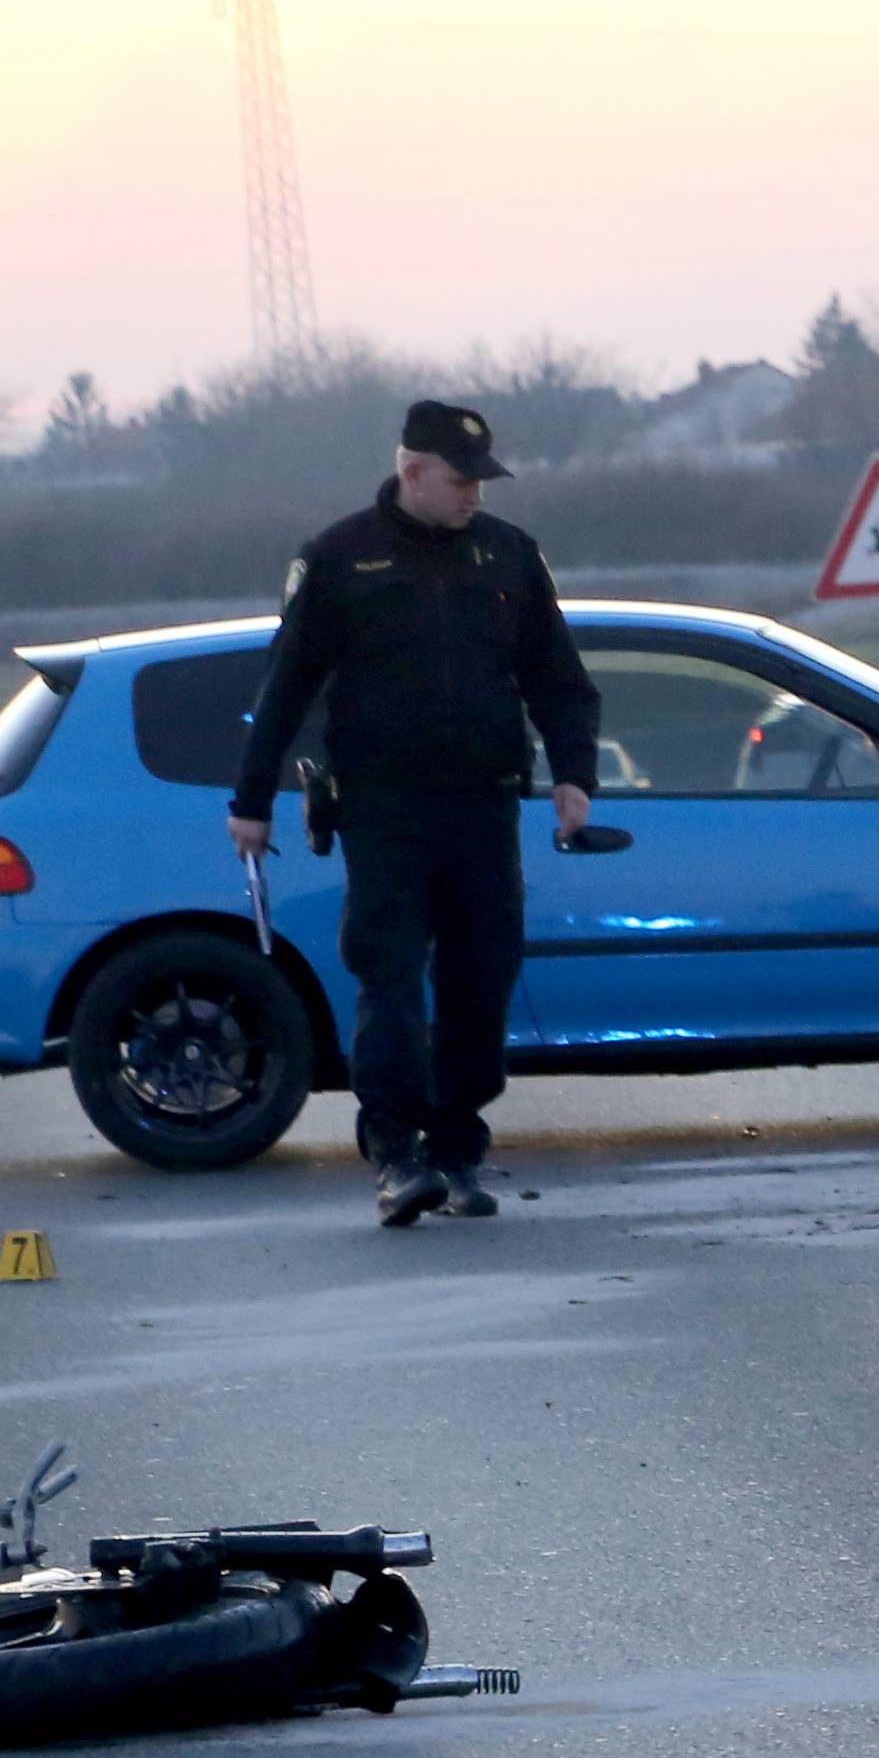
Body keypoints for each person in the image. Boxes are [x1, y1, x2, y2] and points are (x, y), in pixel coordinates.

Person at [228, 399, 601, 1225]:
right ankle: (397, 1155)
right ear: (412, 472)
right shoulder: (338, 559)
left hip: (484, 804)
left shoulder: (508, 555)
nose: (475, 496)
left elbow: (559, 678)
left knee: (481, 979)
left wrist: (575, 774)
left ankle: (458, 1151)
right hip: (384, 808)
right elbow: (284, 687)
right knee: (390, 978)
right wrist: (251, 800)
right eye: (461, 481)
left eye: (482, 481)